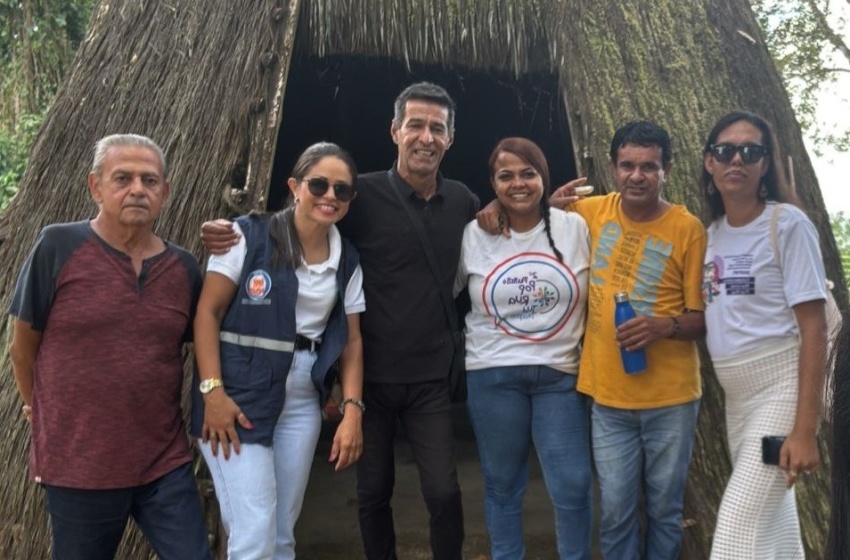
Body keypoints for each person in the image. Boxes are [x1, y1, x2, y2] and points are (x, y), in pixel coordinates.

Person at [200, 82, 479, 560]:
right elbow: (301, 220)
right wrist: (234, 226)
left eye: (438, 128)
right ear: (395, 131)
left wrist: (542, 211)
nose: (426, 137)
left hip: (429, 376)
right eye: (415, 125)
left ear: (451, 139)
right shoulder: (361, 196)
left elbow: (500, 228)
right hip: (366, 379)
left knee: (444, 493)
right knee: (369, 494)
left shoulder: (464, 203)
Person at [480, 121, 706, 559]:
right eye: (627, 165)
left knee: (663, 509)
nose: (637, 175)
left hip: (671, 401)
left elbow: (702, 318)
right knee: (617, 511)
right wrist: (496, 205)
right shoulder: (591, 212)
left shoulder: (688, 228)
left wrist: (661, 327)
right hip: (607, 401)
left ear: (667, 171)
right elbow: (526, 208)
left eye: (649, 167)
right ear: (612, 168)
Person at [7, 134, 210, 560]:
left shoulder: (183, 267)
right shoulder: (58, 246)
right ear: (95, 187)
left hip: (163, 461)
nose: (138, 189)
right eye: (123, 178)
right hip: (80, 464)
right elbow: (23, 346)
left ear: (165, 193)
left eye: (150, 180)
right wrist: (39, 406)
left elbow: (200, 340)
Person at [192, 142, 366, 559]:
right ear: (294, 185)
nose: (329, 196)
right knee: (254, 530)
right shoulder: (246, 237)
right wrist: (212, 393)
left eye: (341, 190)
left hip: (303, 399)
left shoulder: (347, 260)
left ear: (350, 201)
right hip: (238, 396)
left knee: (283, 532)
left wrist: (353, 410)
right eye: (319, 184)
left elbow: (354, 341)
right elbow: (206, 314)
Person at [456, 137, 592, 559]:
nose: (518, 184)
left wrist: (546, 204)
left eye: (528, 174)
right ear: (492, 184)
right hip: (492, 375)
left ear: (543, 177)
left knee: (572, 482)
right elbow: (440, 287)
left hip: (559, 375)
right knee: (502, 485)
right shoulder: (474, 234)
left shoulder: (576, 226)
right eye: (506, 176)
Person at [700, 111, 826, 559]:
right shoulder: (712, 235)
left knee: (737, 531)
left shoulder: (787, 225)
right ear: (709, 162)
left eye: (751, 151)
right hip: (738, 397)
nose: (737, 159)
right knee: (774, 525)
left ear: (765, 165)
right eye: (725, 150)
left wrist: (805, 429)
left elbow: (814, 326)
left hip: (780, 387)